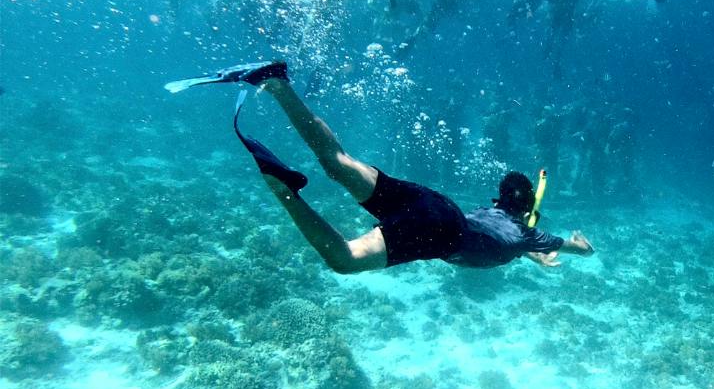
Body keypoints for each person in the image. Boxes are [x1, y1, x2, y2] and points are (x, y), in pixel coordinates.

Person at [165, 61, 595, 274]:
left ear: (498, 200)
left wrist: (534, 253)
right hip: (441, 234)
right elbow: (571, 248)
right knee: (344, 259)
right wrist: (579, 245)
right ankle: (285, 191)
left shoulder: (499, 220)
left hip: (437, 204)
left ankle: (276, 82)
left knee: (338, 162)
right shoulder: (528, 233)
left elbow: (509, 237)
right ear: (524, 211)